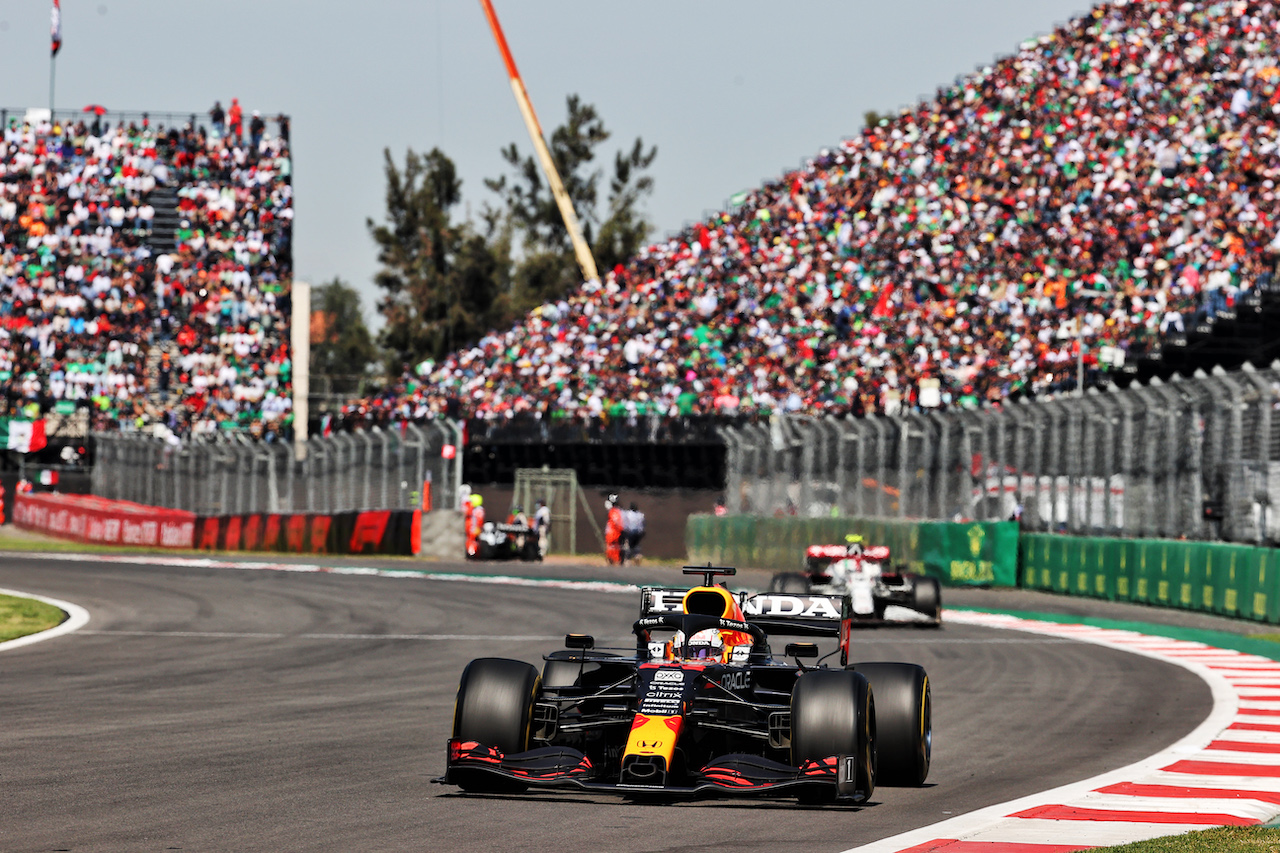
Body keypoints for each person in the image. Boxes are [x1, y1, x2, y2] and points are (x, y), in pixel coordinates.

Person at [604, 494, 624, 565]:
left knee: (611, 547)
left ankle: (612, 560)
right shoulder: (618, 511)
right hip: (616, 532)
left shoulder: (613, 511)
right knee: (615, 547)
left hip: (613, 532)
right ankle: (615, 560)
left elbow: (616, 522)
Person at [465, 494, 485, 558]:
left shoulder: (478, 510)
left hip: (474, 529)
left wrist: (476, 529)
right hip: (472, 528)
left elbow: (477, 521)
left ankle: (472, 553)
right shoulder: (475, 510)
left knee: (473, 541)